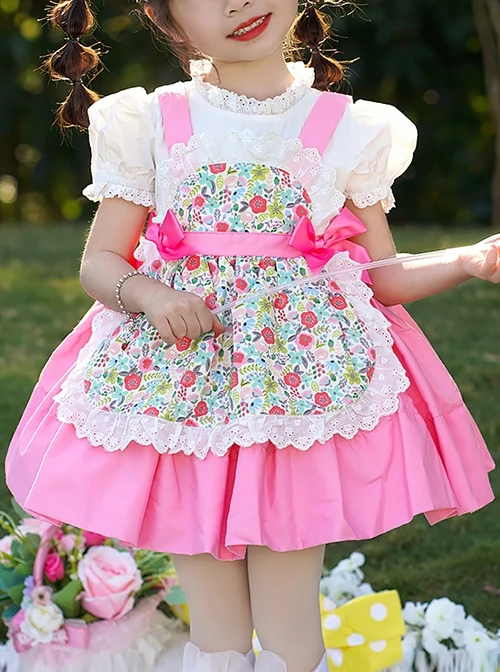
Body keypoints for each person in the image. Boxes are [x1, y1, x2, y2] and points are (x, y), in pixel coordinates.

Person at [5, 0, 499, 670]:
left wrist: (465, 260)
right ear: (167, 18)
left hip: (295, 399)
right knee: (217, 630)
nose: (237, 3)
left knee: (290, 625)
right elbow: (101, 262)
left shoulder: (344, 128)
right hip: (183, 395)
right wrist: (150, 294)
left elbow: (379, 275)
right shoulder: (152, 122)